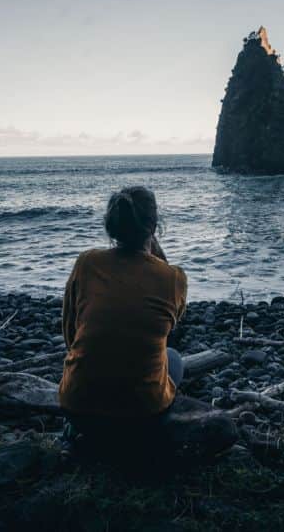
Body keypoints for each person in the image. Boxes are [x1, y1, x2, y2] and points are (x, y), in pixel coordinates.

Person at [58, 186, 187, 443]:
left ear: (112, 226)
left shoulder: (87, 263)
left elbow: (70, 334)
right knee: (172, 357)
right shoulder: (173, 277)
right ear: (153, 227)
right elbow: (169, 326)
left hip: (77, 407)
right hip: (143, 414)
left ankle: (80, 432)